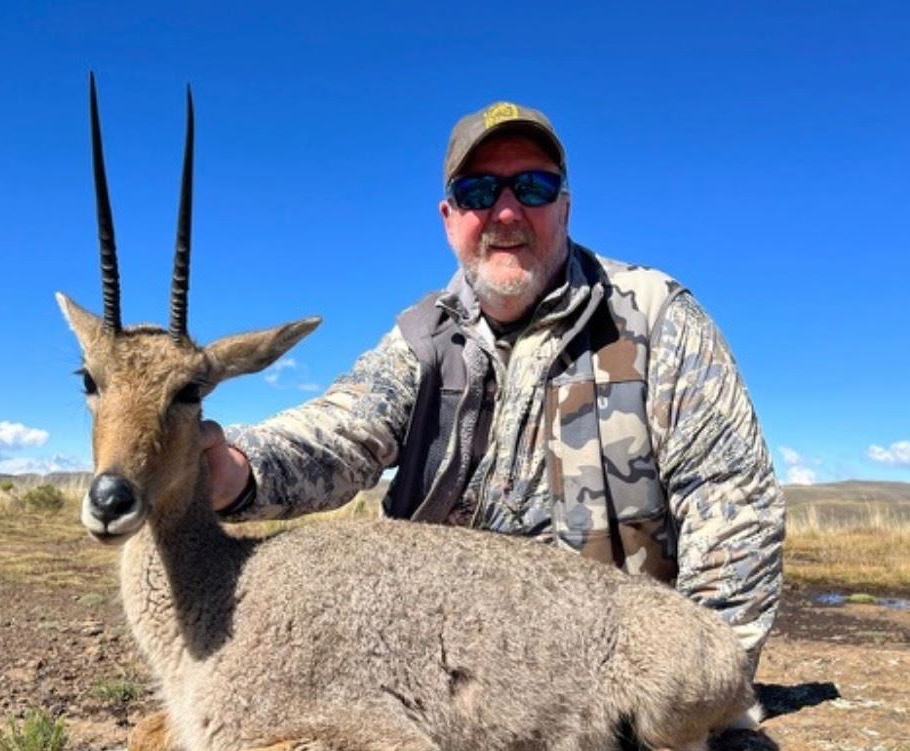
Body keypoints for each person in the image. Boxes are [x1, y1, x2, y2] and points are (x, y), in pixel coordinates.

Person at [200, 101, 785, 667]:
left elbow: (732, 500)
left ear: (565, 208)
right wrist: (233, 468)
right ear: (449, 218)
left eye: (533, 187)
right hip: (446, 675)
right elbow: (339, 432)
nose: (506, 213)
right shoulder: (421, 338)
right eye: (478, 192)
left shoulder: (654, 315)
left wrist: (705, 677)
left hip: (616, 673)